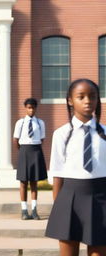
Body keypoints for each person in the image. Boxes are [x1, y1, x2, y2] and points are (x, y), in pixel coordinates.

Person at [45, 79, 106, 255]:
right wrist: (59, 208)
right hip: (69, 199)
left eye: (92, 96)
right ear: (70, 100)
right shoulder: (61, 134)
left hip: (100, 199)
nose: (87, 101)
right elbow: (57, 173)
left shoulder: (105, 134)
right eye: (81, 97)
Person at [13, 98, 47, 220]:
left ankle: (34, 210)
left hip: (36, 150)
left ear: (36, 108)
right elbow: (16, 140)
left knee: (34, 182)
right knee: (23, 182)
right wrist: (23, 151)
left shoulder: (40, 123)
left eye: (33, 107)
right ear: (25, 108)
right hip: (24, 151)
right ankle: (24, 210)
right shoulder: (20, 123)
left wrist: (34, 149)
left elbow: (42, 139)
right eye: (29, 107)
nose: (31, 110)